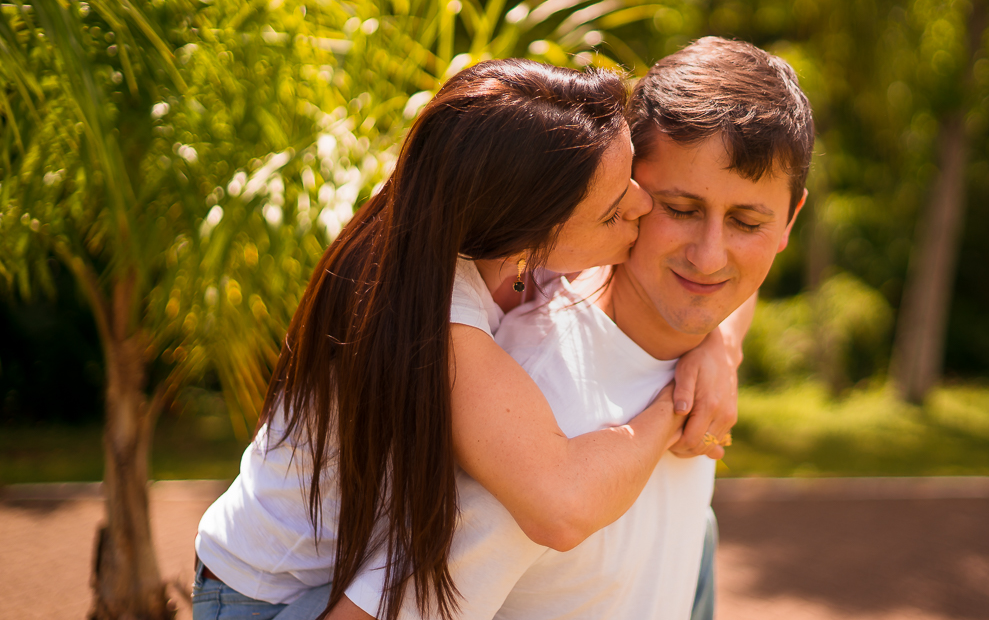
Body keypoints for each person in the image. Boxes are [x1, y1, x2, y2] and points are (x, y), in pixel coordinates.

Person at [192, 59, 744, 620]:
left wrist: (719, 342)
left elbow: (738, 239)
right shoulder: (437, 314)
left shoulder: (499, 214)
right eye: (612, 213)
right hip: (271, 596)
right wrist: (677, 404)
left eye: (631, 177)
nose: (642, 204)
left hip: (355, 564)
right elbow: (560, 505)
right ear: (525, 236)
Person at [329, 36, 815, 620]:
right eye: (680, 210)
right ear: (623, 192)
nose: (710, 258)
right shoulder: (534, 411)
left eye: (746, 221)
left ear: (790, 221)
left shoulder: (693, 346)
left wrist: (722, 348)